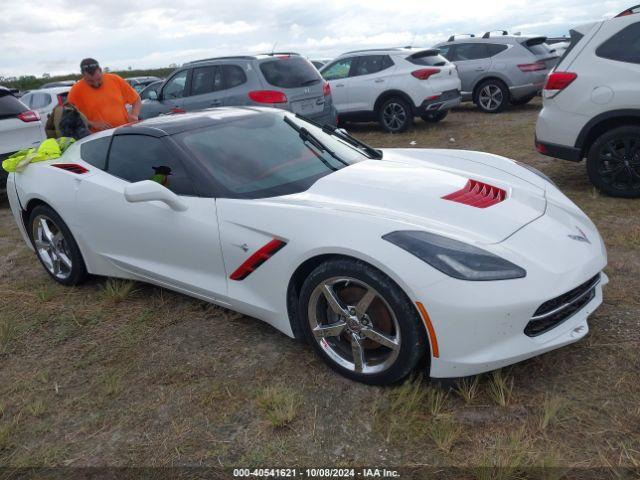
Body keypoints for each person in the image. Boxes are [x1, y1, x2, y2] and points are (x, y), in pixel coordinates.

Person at [67, 58, 141, 132]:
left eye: (99, 79)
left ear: (100, 70)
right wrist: (92, 124)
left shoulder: (115, 80)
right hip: (98, 138)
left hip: (124, 131)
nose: (96, 84)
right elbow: (70, 118)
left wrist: (134, 115)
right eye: (90, 81)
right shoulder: (76, 90)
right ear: (82, 74)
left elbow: (136, 99)